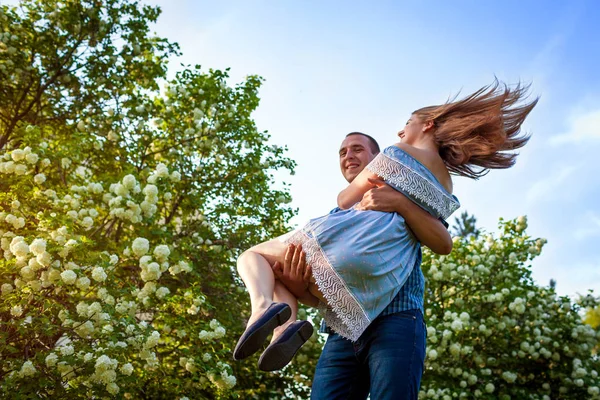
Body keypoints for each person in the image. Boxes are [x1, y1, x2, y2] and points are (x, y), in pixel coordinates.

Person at [233, 81, 537, 377]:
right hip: (362, 288)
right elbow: (442, 240)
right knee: (278, 273)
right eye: (342, 152)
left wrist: (389, 196)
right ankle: (284, 327)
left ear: (428, 124)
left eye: (408, 122)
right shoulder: (446, 186)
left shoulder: (395, 154)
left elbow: (343, 198)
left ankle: (262, 309)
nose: (401, 130)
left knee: (252, 257)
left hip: (355, 265)